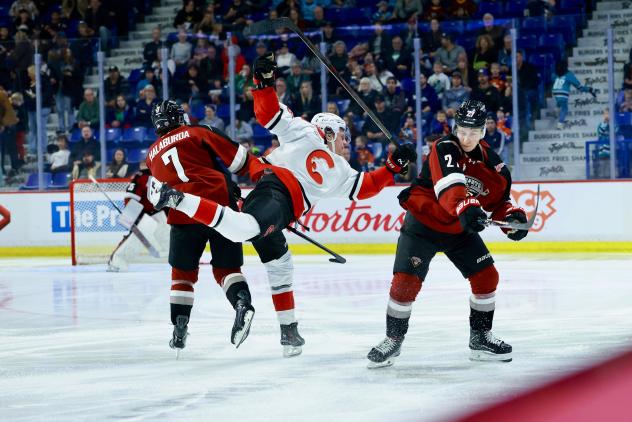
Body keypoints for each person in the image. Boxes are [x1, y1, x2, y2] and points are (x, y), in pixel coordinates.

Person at [148, 52, 417, 358]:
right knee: (242, 231)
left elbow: (366, 187)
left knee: (280, 263)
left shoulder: (342, 170)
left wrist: (393, 168)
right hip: (273, 193)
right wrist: (263, 83)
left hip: (278, 207)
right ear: (329, 129)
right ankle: (179, 198)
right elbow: (268, 114)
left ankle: (289, 332)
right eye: (344, 134)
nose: (348, 142)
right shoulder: (306, 130)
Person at [366, 100, 528, 368]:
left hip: (457, 229)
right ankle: (392, 340)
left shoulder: (494, 166)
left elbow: (499, 202)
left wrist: (511, 218)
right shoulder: (444, 147)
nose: (466, 137)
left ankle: (480, 337)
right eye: (462, 130)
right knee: (404, 284)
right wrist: (467, 206)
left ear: (484, 132)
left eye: (473, 132)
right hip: (423, 224)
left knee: (487, 276)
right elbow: (450, 187)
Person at [145, 100, 258, 353]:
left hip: (183, 214)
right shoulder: (198, 131)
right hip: (219, 207)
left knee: (183, 275)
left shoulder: (151, 154)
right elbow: (239, 160)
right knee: (227, 268)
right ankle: (241, 303)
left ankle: (179, 327)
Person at [107, 161, 169, 272]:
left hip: (156, 215)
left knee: (168, 238)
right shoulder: (140, 177)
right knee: (134, 238)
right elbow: (131, 197)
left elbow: (165, 200)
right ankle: (117, 260)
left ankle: (179, 259)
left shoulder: (160, 178)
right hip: (143, 216)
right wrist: (132, 217)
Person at [552, 61, 596, 130]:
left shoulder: (555, 74)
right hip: (563, 93)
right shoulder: (569, 74)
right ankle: (560, 124)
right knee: (564, 109)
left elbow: (553, 79)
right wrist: (589, 89)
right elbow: (579, 87)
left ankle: (556, 109)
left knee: (560, 100)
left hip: (555, 92)